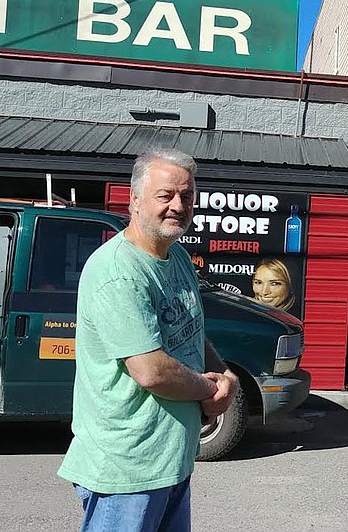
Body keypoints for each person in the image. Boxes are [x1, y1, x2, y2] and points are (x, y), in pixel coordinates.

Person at [58, 147, 239, 532]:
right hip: (128, 470)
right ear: (135, 200)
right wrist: (210, 389)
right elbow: (152, 371)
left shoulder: (175, 258)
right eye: (166, 195)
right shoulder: (118, 271)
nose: (178, 205)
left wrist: (226, 376)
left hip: (169, 460)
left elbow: (191, 334)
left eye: (187, 196)